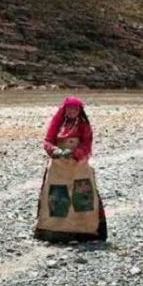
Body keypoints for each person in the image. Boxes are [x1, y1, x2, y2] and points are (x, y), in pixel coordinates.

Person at [34, 96, 107, 243]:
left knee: (82, 195)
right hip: (58, 166)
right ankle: (52, 229)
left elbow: (87, 144)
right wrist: (53, 150)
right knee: (56, 194)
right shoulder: (58, 123)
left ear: (79, 111)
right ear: (65, 109)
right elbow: (48, 140)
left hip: (78, 166)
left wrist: (75, 153)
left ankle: (85, 230)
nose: (72, 111)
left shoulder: (84, 125)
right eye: (69, 108)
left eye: (75, 109)